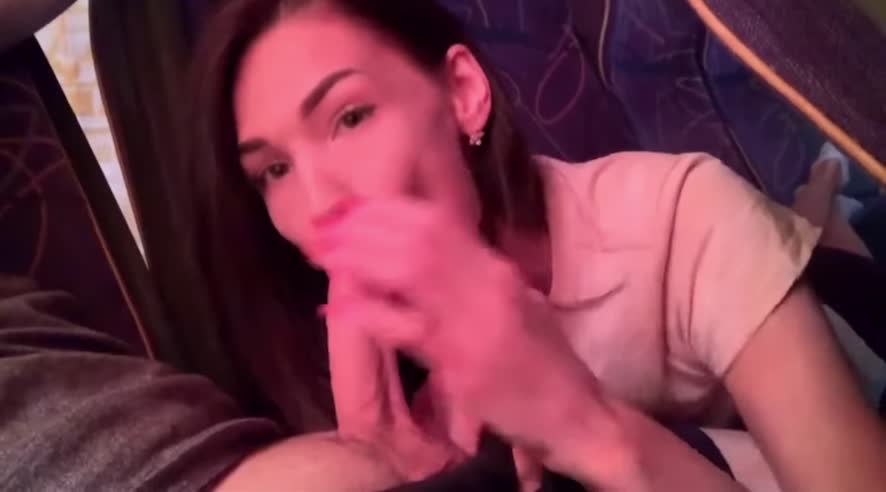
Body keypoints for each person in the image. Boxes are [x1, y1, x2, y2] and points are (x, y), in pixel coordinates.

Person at [179, 0, 886, 491]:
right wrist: (392, 466)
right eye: (273, 171)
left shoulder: (681, 217)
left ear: (462, 93)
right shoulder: (375, 372)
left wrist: (584, 424)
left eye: (352, 117)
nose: (318, 205)